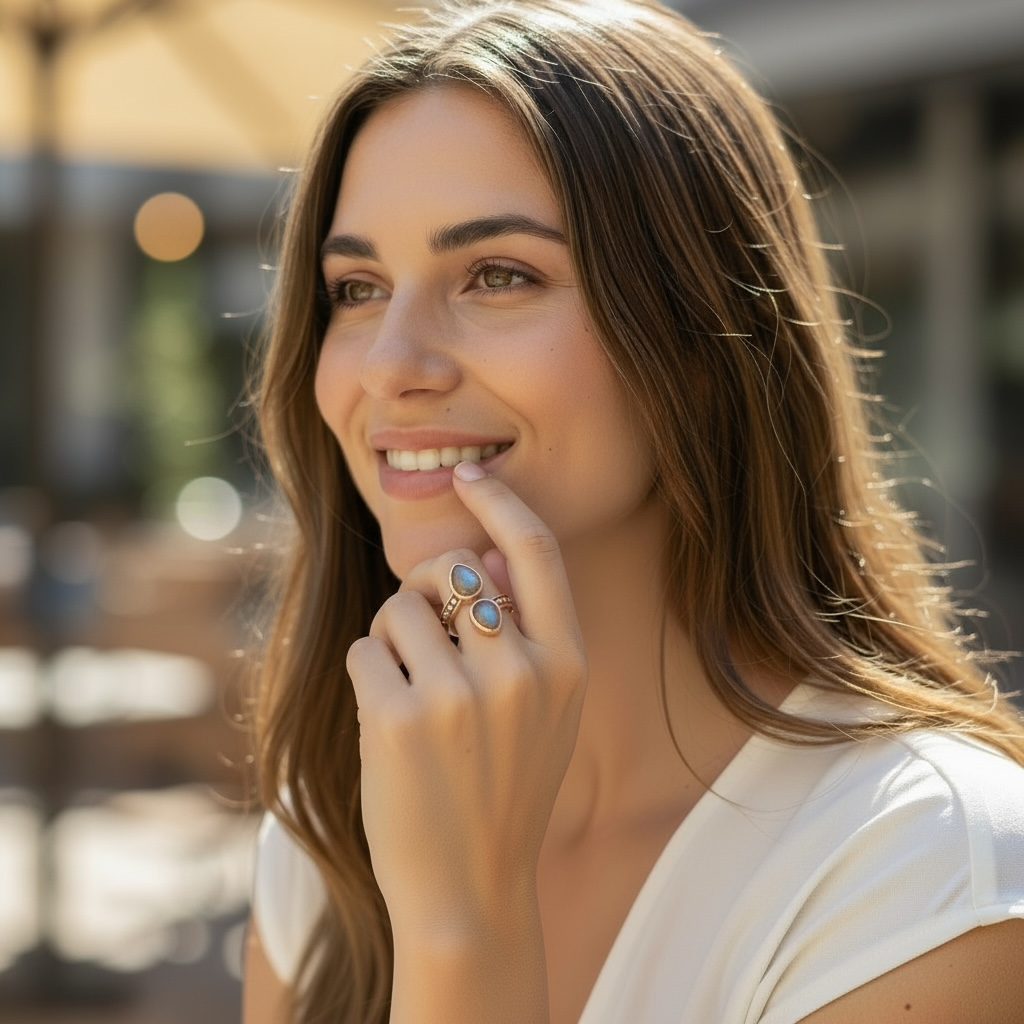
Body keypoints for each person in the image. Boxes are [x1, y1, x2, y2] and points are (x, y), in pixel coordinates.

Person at [242, 1, 1024, 1021]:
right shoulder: (335, 818)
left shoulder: (924, 875)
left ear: (703, 345)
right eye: (355, 288)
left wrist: (460, 934)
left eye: (498, 274)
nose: (389, 366)